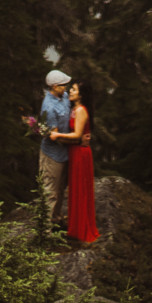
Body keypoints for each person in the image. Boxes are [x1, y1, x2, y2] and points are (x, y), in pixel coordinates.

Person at [63, 78, 98, 245]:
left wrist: (54, 136)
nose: (70, 91)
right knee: (76, 187)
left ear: (81, 95)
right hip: (76, 150)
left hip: (80, 152)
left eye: (74, 90)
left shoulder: (81, 110)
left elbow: (77, 135)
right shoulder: (74, 109)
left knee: (81, 188)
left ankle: (83, 229)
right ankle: (76, 228)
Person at [37, 67, 73, 229]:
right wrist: (76, 138)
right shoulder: (49, 107)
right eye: (63, 85)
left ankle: (56, 219)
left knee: (60, 189)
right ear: (54, 87)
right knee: (50, 190)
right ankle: (45, 230)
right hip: (52, 154)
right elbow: (54, 135)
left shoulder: (63, 96)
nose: (66, 87)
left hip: (64, 152)